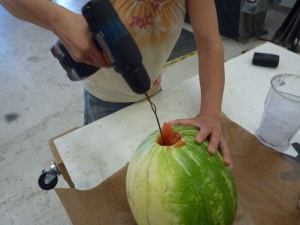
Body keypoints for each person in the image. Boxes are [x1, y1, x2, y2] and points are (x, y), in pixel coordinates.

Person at [0, 0, 232, 169]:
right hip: (103, 101)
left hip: (154, 92)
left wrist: (211, 114)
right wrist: (57, 19)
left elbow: (210, 42)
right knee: (109, 172)